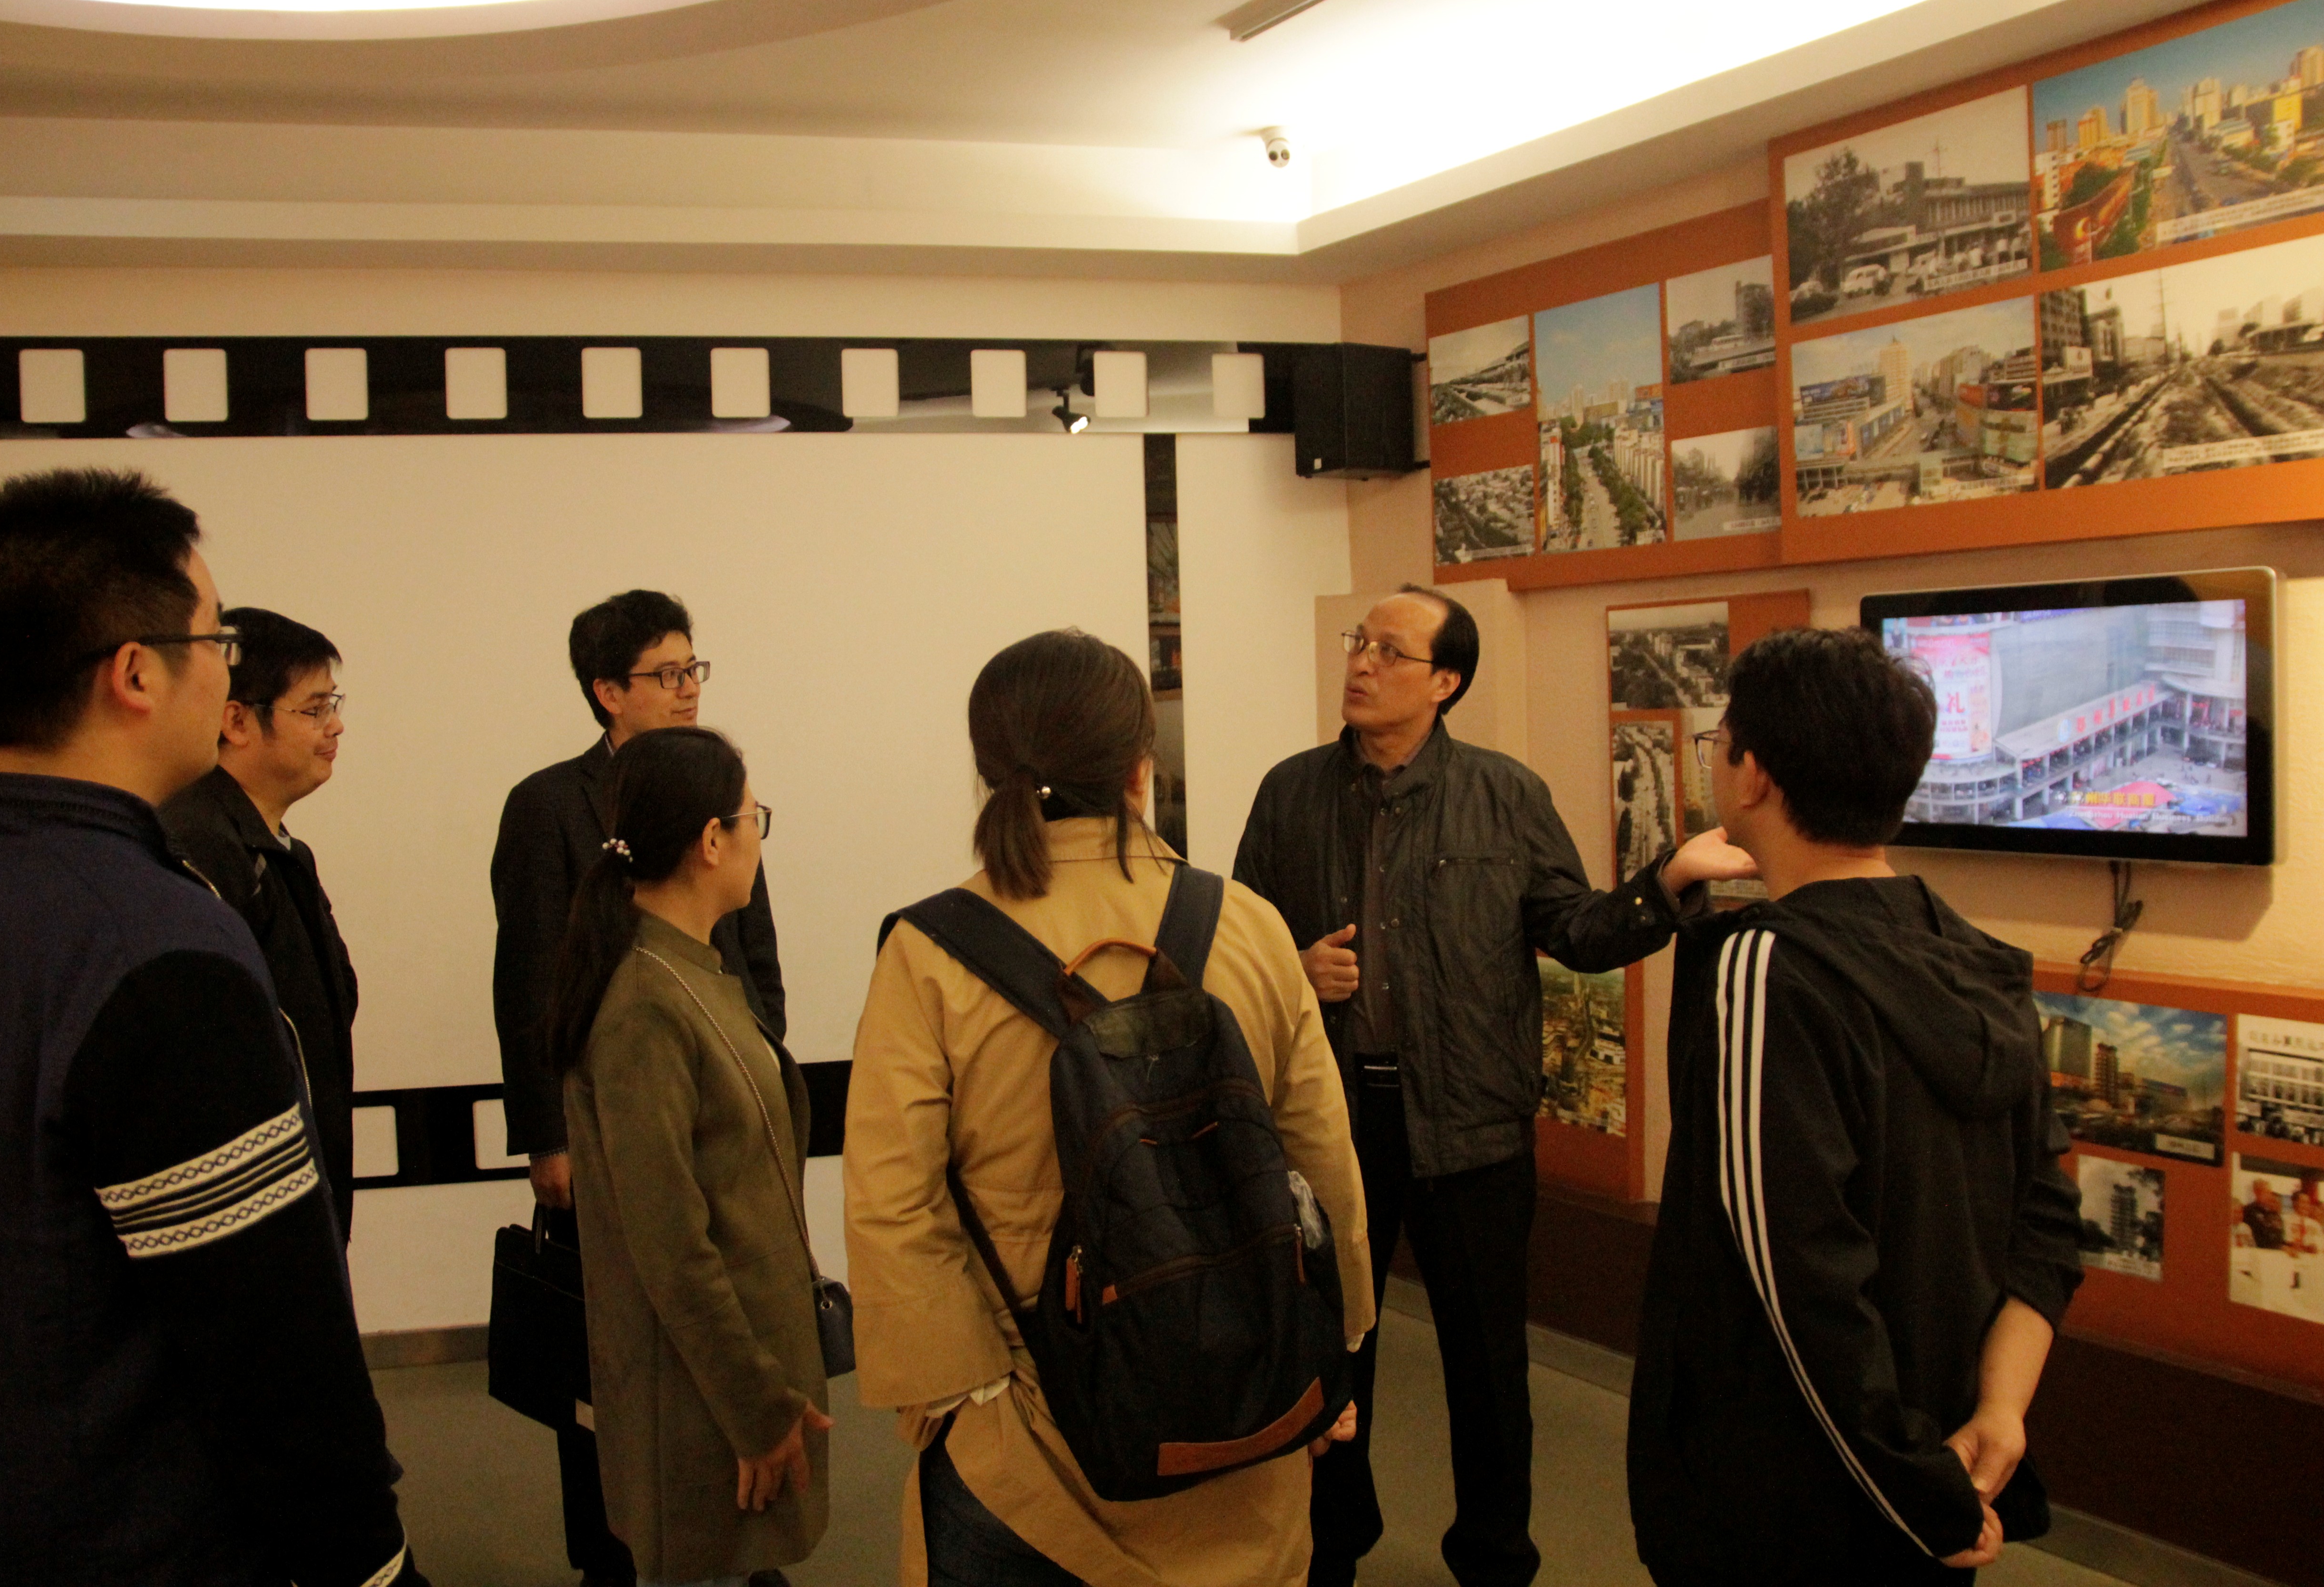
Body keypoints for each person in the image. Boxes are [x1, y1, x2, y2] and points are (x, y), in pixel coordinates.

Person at [0, 468, 422, 1586]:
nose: (224, 672)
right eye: (215, 640)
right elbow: (272, 1353)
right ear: (134, 673)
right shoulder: (155, 943)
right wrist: (374, 1564)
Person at [1233, 585, 1749, 1587]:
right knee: (1330, 1353)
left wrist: (1668, 883)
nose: (1362, 662)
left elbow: (1577, 931)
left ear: (1446, 682)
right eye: (1359, 642)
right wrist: (1291, 968)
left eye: (1390, 650)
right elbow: (1240, 942)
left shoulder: (1505, 794)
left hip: (1471, 1126)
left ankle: (1495, 1561)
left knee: (1487, 1368)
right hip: (1332, 1122)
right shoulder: (1290, 793)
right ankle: (1329, 1552)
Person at [845, 628, 1374, 1587]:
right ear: (1142, 768)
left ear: (990, 774)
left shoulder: (929, 954)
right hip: (1242, 1416)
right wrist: (1331, 1347)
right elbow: (1319, 1163)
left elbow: (893, 1201)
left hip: (1028, 1443)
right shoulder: (1248, 924)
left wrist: (957, 1395)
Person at [1627, 627, 2086, 1585]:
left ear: (1755, 775)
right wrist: (2000, 1413)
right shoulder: (1979, 961)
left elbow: (1796, 1277)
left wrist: (1910, 1485)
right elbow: (2046, 1223)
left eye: (1722, 740)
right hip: (1949, 1453)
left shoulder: (1767, 965)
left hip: (1799, 1493)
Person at [492, 588, 789, 1585]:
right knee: (616, 1343)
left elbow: (754, 956)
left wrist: (762, 1060)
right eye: (665, 674)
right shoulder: (550, 804)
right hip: (613, 1112)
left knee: (726, 1307)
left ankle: (745, 1536)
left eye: (693, 669)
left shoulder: (720, 788)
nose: (687, 689)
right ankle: (617, 1547)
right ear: (607, 692)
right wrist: (548, 1136)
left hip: (721, 1096)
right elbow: (531, 978)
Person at [548, 726, 830, 1587]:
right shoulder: (647, 1004)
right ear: (712, 840)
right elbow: (670, 1244)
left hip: (736, 1369)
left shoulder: (689, 972)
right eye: (753, 819)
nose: (756, 839)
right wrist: (755, 1409)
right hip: (703, 1392)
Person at [160, 606, 362, 1236]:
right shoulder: (199, 846)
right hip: (254, 1205)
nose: (336, 726)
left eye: (333, 705)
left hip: (304, 1191)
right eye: (314, 710)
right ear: (238, 721)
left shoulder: (279, 849)